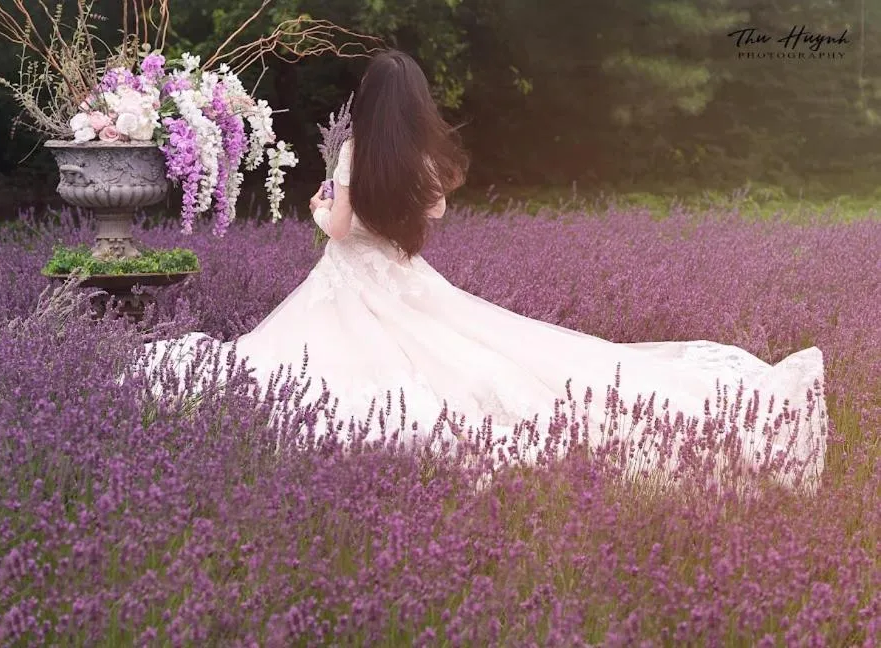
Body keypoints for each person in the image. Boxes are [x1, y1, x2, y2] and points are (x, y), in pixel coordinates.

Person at [141, 50, 827, 488]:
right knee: (484, 347)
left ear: (368, 102)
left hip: (348, 281)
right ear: (415, 104)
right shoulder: (421, 158)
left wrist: (321, 207)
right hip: (405, 275)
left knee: (320, 368)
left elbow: (341, 229)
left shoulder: (354, 153)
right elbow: (433, 212)